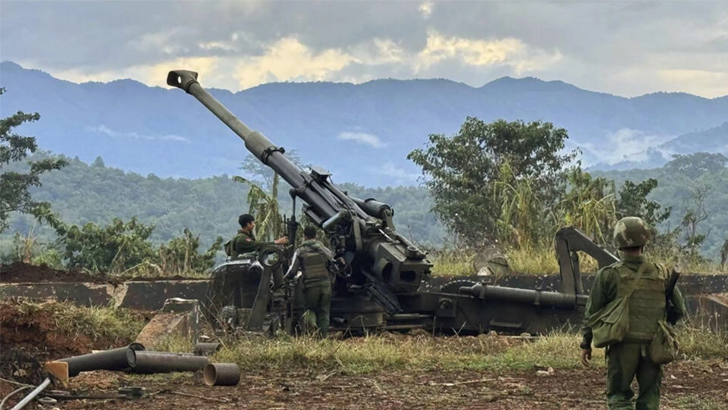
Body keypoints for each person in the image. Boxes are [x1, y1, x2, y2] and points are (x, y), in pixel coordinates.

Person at [580, 216, 687, 410]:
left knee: (619, 395)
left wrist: (586, 343)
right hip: (654, 344)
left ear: (618, 243)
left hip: (622, 344)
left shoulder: (608, 275)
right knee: (649, 399)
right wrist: (664, 322)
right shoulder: (661, 273)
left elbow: (592, 312)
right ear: (645, 241)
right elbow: (680, 310)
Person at [283, 225, 335, 337]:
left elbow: (292, 271)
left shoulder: (300, 251)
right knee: (324, 311)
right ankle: (323, 336)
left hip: (311, 285)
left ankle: (312, 327)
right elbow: (333, 262)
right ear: (316, 236)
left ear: (304, 236)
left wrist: (284, 280)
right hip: (326, 284)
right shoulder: (324, 249)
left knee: (309, 309)